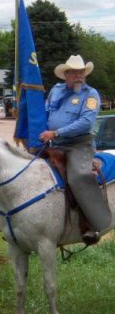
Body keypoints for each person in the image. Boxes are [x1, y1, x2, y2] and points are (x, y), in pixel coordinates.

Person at [39, 54, 112, 245]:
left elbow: (86, 123)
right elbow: (46, 112)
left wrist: (56, 132)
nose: (79, 76)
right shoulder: (55, 91)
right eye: (75, 73)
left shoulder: (91, 95)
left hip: (80, 145)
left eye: (82, 72)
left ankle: (91, 224)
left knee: (79, 176)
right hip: (54, 143)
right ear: (66, 74)